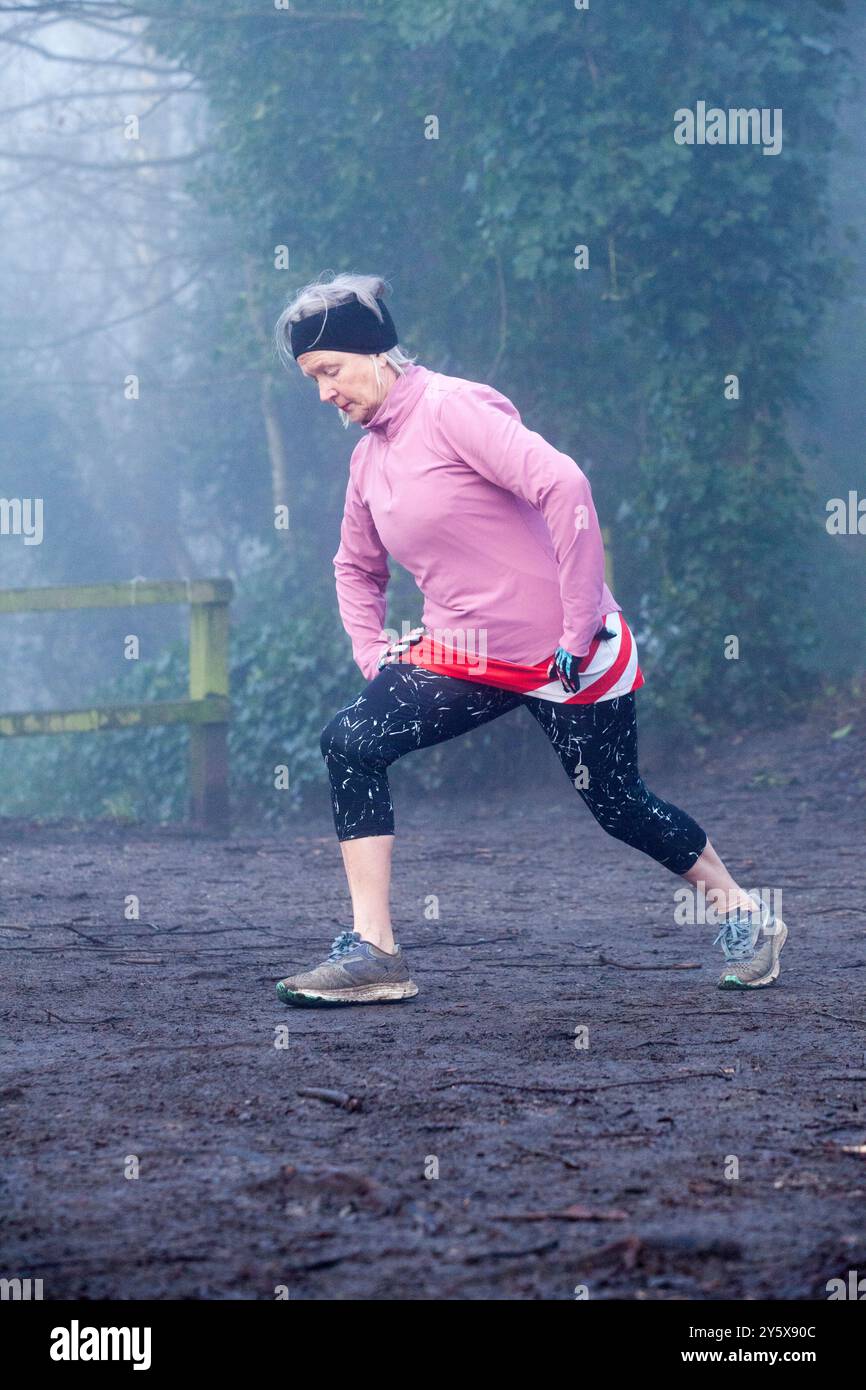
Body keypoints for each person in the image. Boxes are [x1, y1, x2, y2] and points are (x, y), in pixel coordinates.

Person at [271, 272, 787, 1006]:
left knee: (618, 804)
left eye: (329, 371)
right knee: (352, 741)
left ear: (376, 351)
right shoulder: (368, 460)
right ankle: (375, 951)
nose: (324, 393)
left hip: (566, 654)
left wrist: (579, 627)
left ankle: (742, 912)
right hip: (467, 654)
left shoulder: (453, 410)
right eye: (311, 380)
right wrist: (370, 652)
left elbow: (565, 486)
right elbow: (355, 569)